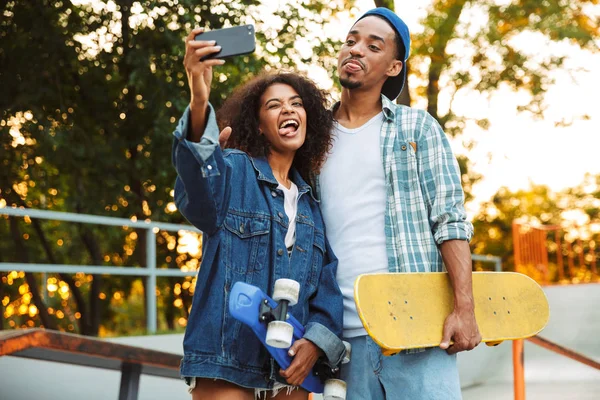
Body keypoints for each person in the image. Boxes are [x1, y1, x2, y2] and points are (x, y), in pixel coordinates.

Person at [316, 8, 481, 400]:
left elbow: (450, 221)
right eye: (352, 40)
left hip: (417, 331)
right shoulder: (312, 138)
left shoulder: (416, 127)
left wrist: (465, 308)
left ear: (393, 66)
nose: (356, 50)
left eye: (373, 46)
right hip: (342, 342)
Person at [173, 28, 346, 400]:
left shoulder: (312, 208)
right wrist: (200, 98)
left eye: (296, 103)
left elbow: (327, 291)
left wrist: (315, 344)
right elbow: (195, 191)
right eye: (274, 105)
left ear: (308, 118)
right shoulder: (233, 170)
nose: (288, 109)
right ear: (259, 126)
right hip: (226, 361)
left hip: (290, 371)